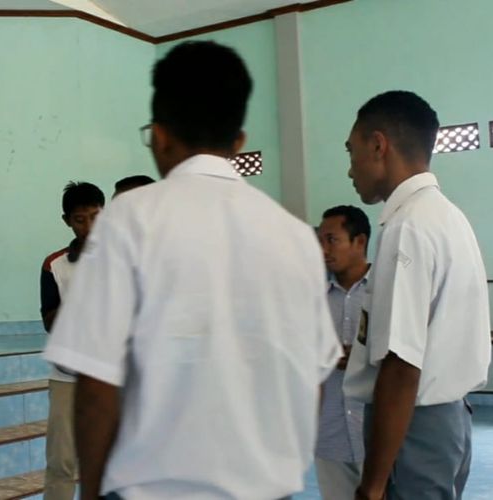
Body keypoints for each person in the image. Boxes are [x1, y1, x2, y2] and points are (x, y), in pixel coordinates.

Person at [43, 41, 341, 499]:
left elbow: (98, 385)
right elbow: (315, 376)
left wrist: (93, 492)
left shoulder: (129, 220)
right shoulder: (296, 237)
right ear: (238, 141)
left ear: (159, 135)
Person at [342, 91, 490, 500]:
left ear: (378, 144)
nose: (350, 169)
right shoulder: (447, 216)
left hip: (415, 427)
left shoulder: (407, 227)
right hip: (450, 421)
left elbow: (402, 366)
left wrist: (372, 485)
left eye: (351, 151)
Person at [40, 181, 105, 500]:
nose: (89, 226)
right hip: (67, 376)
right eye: (80, 219)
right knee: (62, 462)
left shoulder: (123, 257)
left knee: (113, 460)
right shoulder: (55, 264)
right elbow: (49, 321)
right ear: (67, 220)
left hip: (111, 375)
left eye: (95, 216)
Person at [315, 205, 371, 500]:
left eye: (331, 239)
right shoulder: (315, 299)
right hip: (330, 433)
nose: (323, 249)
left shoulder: (386, 292)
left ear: (359, 241)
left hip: (376, 435)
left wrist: (365, 356)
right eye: (320, 240)